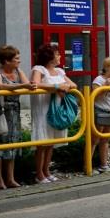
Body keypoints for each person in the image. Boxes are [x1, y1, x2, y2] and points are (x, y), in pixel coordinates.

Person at [30, 43, 77, 184]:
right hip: (42, 108)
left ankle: (46, 171)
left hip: (57, 107)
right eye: (57, 54)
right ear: (49, 56)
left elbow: (73, 85)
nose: (60, 56)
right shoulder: (39, 69)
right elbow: (36, 84)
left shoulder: (60, 71)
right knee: (42, 142)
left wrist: (65, 87)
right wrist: (57, 87)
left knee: (51, 142)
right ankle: (39, 174)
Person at [0, 45, 33, 189]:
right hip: (0, 111)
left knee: (12, 145)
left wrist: (25, 84)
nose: (19, 61)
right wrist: (20, 86)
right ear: (7, 61)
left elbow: (27, 84)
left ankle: (10, 178)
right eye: (16, 59)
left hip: (14, 112)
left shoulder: (18, 71)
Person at [92, 58, 110, 172]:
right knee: (94, 140)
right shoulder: (98, 79)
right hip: (100, 110)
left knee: (106, 140)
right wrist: (105, 85)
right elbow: (94, 96)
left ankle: (104, 165)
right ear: (106, 67)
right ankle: (87, 165)